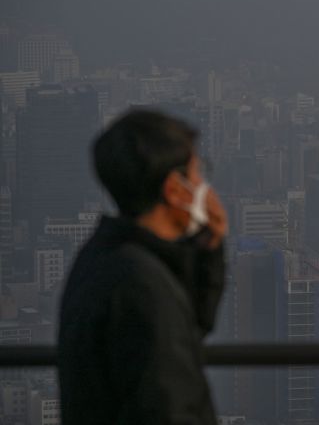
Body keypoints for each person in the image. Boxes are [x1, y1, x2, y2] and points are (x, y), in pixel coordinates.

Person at [58, 109, 228, 424]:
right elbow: (165, 407)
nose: (203, 185)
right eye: (196, 174)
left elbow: (183, 331)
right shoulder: (139, 285)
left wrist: (208, 250)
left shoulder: (107, 257)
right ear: (175, 190)